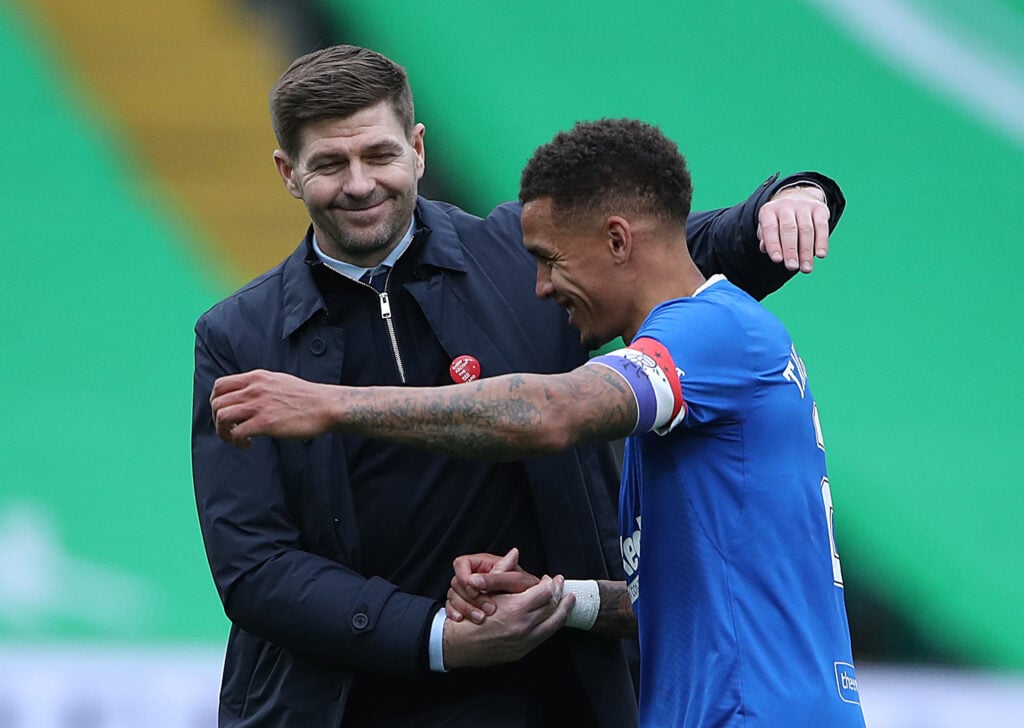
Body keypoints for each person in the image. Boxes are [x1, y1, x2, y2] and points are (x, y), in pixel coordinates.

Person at [192, 43, 846, 727]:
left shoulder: (520, 253)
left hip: (551, 698)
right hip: (345, 705)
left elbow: (662, 254)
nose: (359, 184)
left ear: (418, 149)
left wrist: (793, 199)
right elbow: (254, 566)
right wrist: (435, 638)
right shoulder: (238, 337)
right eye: (330, 163)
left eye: (379, 155)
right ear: (288, 173)